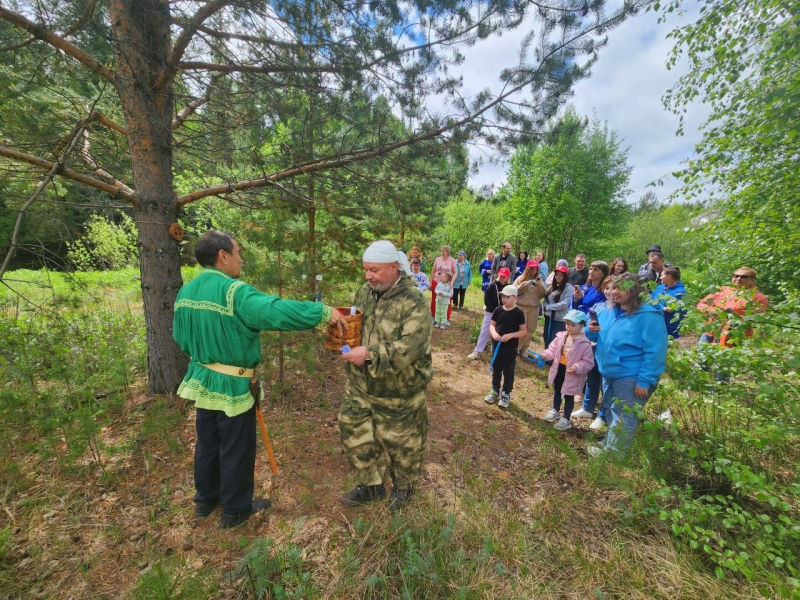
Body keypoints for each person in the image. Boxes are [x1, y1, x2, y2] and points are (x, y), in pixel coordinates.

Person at [173, 230, 347, 528]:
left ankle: (205, 500)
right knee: (236, 447)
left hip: (202, 380)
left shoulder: (185, 291)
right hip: (231, 384)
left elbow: (179, 337)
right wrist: (320, 311)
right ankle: (235, 510)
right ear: (222, 256)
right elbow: (273, 311)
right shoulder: (234, 292)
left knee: (208, 442)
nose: (241, 259)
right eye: (238, 252)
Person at [338, 240, 433, 511]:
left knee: (403, 444)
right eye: (366, 270)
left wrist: (369, 354)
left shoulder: (413, 300)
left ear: (394, 268)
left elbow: (412, 347)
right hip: (360, 385)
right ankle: (371, 485)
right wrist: (344, 340)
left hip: (398, 390)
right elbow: (356, 328)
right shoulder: (364, 292)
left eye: (375, 270)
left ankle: (404, 489)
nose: (368, 276)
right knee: (354, 431)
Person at [585, 273, 668, 457]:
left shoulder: (648, 315)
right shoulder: (607, 311)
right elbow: (593, 334)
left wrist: (645, 379)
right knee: (611, 409)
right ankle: (610, 442)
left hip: (631, 375)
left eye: (621, 288)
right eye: (614, 287)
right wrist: (589, 330)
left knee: (624, 415)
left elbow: (656, 351)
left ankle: (614, 454)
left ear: (635, 290)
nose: (615, 292)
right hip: (609, 372)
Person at [571, 276, 616, 430]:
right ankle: (588, 408)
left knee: (606, 385)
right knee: (592, 378)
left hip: (610, 353)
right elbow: (587, 329)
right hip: (594, 348)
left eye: (613, 288)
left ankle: (603, 415)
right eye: (607, 288)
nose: (609, 291)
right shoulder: (599, 306)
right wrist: (588, 331)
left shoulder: (624, 311)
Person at [542, 310, 595, 431]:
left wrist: (577, 367)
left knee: (569, 395)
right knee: (557, 390)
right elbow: (553, 349)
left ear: (581, 326)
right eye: (567, 324)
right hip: (559, 368)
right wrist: (546, 354)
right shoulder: (561, 337)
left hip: (572, 373)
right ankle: (555, 410)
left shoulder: (584, 343)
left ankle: (566, 418)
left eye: (573, 325)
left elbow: (588, 362)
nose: (569, 327)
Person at [696, 267, 768, 346]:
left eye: (744, 277)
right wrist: (714, 311)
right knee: (700, 355)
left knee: (728, 358)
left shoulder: (758, 298)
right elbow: (701, 304)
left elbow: (760, 318)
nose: (738, 278)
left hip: (736, 336)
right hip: (711, 332)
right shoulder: (721, 290)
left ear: (753, 279)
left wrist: (736, 318)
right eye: (736, 276)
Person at [484, 286, 527, 409]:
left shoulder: (518, 313)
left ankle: (506, 393)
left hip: (510, 348)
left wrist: (511, 335)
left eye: (508, 297)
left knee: (508, 372)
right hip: (497, 346)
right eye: (503, 296)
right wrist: (494, 333)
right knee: (496, 370)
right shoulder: (498, 310)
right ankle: (495, 390)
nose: (504, 299)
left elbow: (523, 331)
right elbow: (492, 325)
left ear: (515, 298)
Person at [468, 267, 511, 360]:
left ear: (508, 277)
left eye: (504, 276)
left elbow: (510, 301)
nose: (502, 277)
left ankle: (494, 353)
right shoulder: (492, 285)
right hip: (491, 312)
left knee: (498, 333)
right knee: (485, 331)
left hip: (503, 313)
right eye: (501, 275)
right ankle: (477, 351)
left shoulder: (508, 287)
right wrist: (495, 310)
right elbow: (487, 300)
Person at [513, 259, 546, 356]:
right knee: (521, 329)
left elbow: (543, 294)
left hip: (534, 308)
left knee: (530, 329)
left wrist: (540, 285)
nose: (534, 271)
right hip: (521, 306)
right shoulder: (520, 278)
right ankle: (516, 348)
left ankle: (524, 348)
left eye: (536, 269)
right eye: (532, 269)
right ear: (528, 269)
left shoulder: (539, 280)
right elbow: (515, 291)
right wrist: (526, 283)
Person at [542, 265, 575, 355]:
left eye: (561, 275)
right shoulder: (552, 286)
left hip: (560, 318)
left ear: (565, 276)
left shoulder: (568, 288)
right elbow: (546, 300)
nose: (558, 277)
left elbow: (564, 304)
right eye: (557, 275)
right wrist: (547, 309)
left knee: (555, 338)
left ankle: (554, 358)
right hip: (549, 317)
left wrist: (548, 307)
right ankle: (547, 355)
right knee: (546, 336)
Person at [651, 267, 687, 339]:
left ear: (669, 276)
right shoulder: (660, 288)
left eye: (662, 275)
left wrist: (670, 309)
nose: (660, 278)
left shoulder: (681, 292)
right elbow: (651, 300)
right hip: (655, 323)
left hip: (669, 326)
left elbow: (683, 309)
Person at [430, 245, 457, 323]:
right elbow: (433, 270)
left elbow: (455, 273)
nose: (442, 252)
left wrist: (451, 282)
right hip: (437, 281)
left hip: (447, 283)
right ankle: (434, 316)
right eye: (441, 250)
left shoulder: (452, 260)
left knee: (447, 300)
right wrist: (430, 281)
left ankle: (446, 318)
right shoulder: (437, 259)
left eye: (443, 250)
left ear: (447, 252)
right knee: (435, 300)